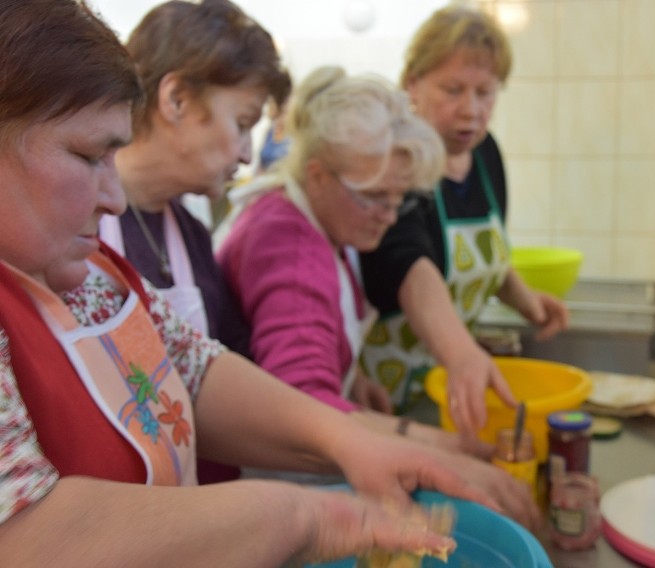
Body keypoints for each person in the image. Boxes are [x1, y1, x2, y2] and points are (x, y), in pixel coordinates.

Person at [0, 1, 528, 564]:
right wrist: (304, 516)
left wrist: (352, 442)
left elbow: (192, 369)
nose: (115, 199)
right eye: (87, 155)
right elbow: (24, 530)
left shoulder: (85, 272)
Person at [217, 67, 494, 460]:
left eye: (399, 199)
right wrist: (441, 449)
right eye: (375, 197)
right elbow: (304, 408)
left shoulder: (318, 216)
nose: (389, 216)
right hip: (263, 475)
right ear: (318, 176)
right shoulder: (289, 247)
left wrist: (352, 376)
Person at [97, 0, 292, 483]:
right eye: (243, 123)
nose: (248, 155)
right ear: (177, 98)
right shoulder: (71, 229)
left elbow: (230, 377)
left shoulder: (191, 236)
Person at [359, 6, 570, 438]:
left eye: (485, 92)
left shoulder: (486, 154)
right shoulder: (397, 160)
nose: (471, 110)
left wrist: (523, 298)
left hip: (450, 391)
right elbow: (410, 268)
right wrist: (461, 353)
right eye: (452, 90)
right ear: (412, 82)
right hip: (378, 400)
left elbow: (490, 254)